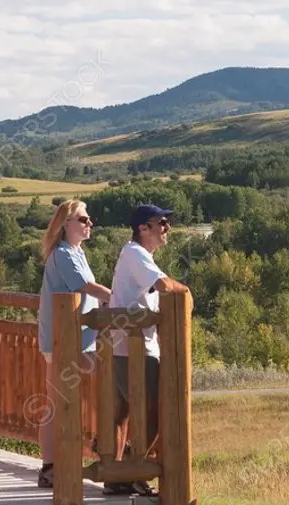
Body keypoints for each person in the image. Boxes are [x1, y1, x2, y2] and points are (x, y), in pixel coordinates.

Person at [104, 204, 190, 496]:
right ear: (143, 228)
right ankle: (135, 469)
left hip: (125, 346)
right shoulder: (135, 254)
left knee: (124, 413)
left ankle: (118, 475)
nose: (167, 228)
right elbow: (165, 285)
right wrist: (187, 294)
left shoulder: (135, 255)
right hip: (135, 348)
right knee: (155, 410)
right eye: (162, 223)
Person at [35, 199, 112, 489]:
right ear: (65, 224)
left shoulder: (76, 252)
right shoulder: (63, 255)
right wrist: (116, 297)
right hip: (61, 342)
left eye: (89, 219)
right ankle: (51, 467)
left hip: (76, 342)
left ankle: (62, 463)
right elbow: (84, 287)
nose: (89, 223)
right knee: (56, 403)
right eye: (83, 219)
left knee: (65, 400)